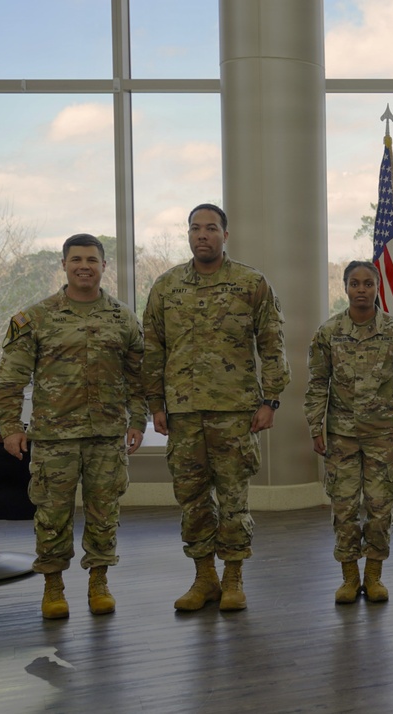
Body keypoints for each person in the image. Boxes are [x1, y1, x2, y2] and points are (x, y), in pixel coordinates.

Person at [143, 203, 290, 612]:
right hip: (183, 414)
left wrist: (270, 400)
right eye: (195, 228)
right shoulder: (166, 287)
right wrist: (155, 403)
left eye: (211, 228)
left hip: (235, 413)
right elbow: (152, 349)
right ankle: (203, 577)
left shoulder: (250, 283)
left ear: (226, 235)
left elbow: (273, 345)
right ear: (188, 235)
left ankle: (234, 577)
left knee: (233, 499)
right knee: (191, 498)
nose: (202, 235)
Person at [0, 233, 147, 619]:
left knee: (103, 513)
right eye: (76, 259)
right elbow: (9, 378)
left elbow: (139, 378)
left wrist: (138, 420)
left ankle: (99, 582)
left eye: (92, 260)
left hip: (107, 437)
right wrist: (11, 427)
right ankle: (53, 587)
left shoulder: (122, 318)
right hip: (53, 438)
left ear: (103, 266)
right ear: (63, 265)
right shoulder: (37, 318)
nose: (84, 266)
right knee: (51, 515)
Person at [304, 261, 393, 604]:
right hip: (342, 436)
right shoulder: (329, 332)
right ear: (346, 287)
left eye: (369, 283)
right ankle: (350, 578)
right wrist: (315, 426)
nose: (362, 289)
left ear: (378, 286)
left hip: (383, 435)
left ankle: (374, 575)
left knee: (381, 508)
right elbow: (317, 383)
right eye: (355, 283)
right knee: (344, 508)